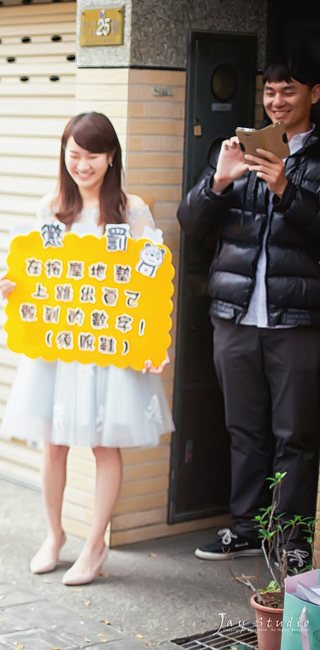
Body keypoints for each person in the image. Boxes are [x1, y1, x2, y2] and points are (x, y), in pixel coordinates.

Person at [0, 112, 174, 586]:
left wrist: (155, 341)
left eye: (91, 155)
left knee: (102, 444)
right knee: (53, 443)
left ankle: (96, 545)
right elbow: (38, 272)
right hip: (59, 346)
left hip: (110, 347)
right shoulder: (51, 208)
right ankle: (53, 536)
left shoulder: (132, 210)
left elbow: (151, 282)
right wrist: (15, 287)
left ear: (111, 156)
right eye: (73, 155)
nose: (81, 164)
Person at [178, 58, 320, 572]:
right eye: (270, 92)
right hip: (235, 314)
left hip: (297, 320)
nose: (277, 101)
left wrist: (287, 189)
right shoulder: (236, 150)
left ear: (314, 94)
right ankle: (244, 528)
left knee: (295, 434)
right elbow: (191, 221)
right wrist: (219, 180)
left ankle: (292, 539)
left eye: (289, 91)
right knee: (244, 429)